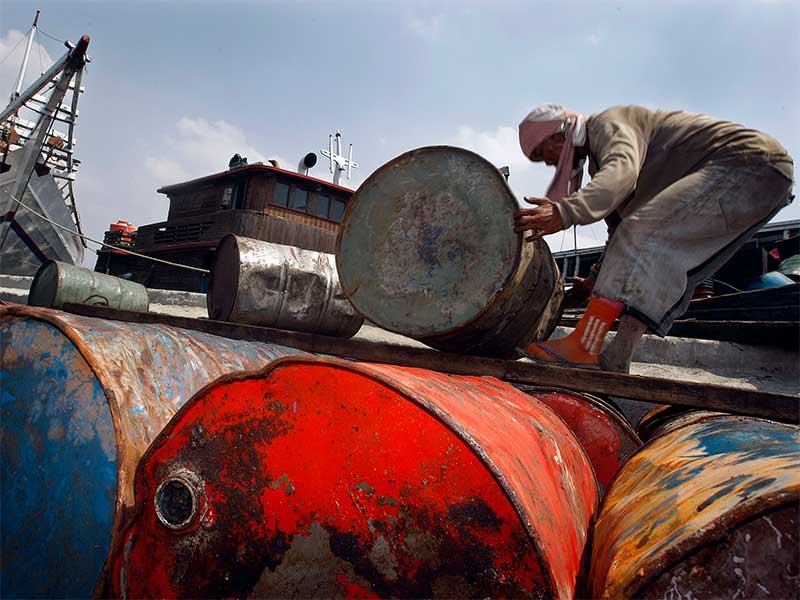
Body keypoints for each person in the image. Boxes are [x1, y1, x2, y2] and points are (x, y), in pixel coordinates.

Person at [514, 104, 794, 372]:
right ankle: (619, 354)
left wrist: (564, 211)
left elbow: (620, 177)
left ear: (561, 133)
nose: (547, 161)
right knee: (665, 261)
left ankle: (585, 344)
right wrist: (593, 281)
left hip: (746, 162)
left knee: (643, 231)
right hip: (764, 175)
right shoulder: (599, 162)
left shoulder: (608, 124)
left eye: (542, 151)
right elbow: (620, 232)